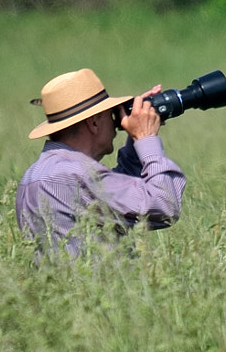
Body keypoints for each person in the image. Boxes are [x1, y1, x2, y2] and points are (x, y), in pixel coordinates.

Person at [16, 67, 186, 259]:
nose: (116, 123)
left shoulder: (41, 171)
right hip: (92, 288)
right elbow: (164, 206)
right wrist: (146, 138)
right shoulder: (73, 174)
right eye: (111, 114)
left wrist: (134, 141)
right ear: (94, 122)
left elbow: (119, 197)